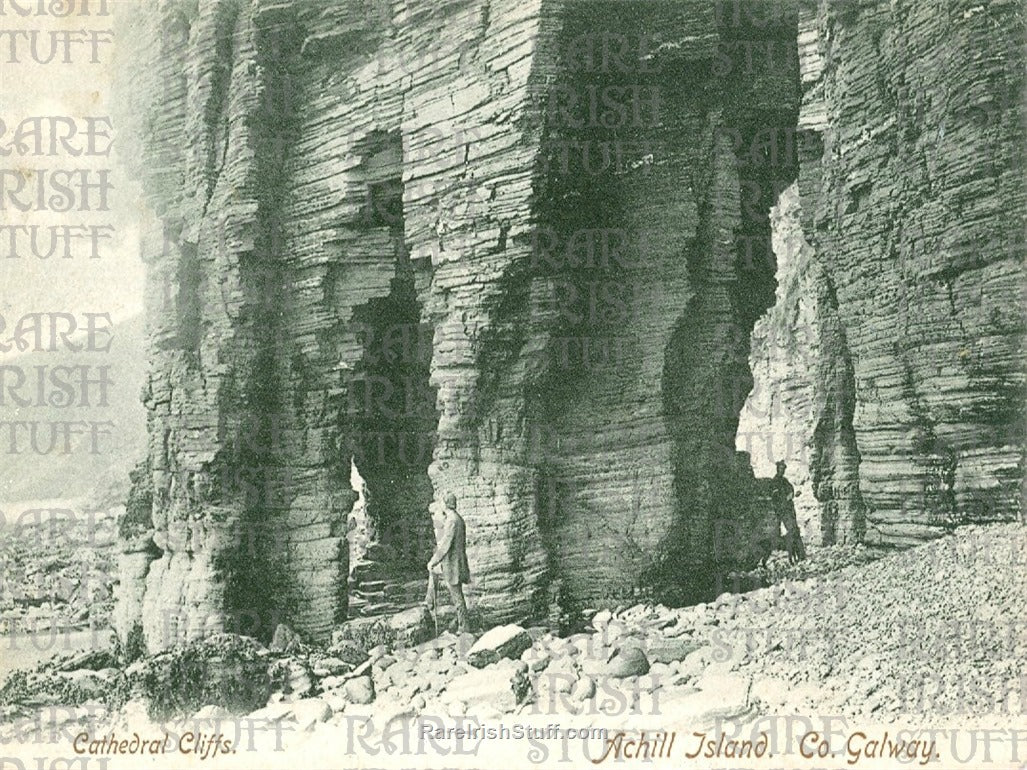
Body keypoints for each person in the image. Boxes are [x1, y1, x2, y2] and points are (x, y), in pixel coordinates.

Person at [424, 492, 471, 633]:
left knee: (457, 597)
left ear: (446, 504)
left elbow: (445, 545)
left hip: (453, 564)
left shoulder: (452, 521)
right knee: (457, 595)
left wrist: (433, 561)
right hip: (456, 562)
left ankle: (464, 627)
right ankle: (458, 622)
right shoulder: (458, 519)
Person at [770, 461, 806, 564]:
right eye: (781, 469)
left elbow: (791, 490)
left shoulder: (785, 481)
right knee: (792, 531)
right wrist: (786, 498)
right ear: (777, 469)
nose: (782, 471)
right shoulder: (775, 481)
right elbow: (775, 497)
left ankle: (800, 556)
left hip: (788, 509)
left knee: (794, 531)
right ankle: (795, 556)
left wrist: (792, 494)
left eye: (784, 469)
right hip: (783, 510)